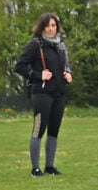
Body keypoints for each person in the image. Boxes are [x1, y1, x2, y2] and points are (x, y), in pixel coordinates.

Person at [14, 13, 73, 177]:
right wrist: (38, 75)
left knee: (54, 130)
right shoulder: (35, 44)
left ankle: (50, 166)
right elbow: (19, 66)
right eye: (47, 26)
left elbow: (66, 66)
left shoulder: (60, 45)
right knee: (39, 129)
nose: (51, 29)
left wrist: (68, 74)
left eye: (53, 26)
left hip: (59, 93)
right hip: (41, 94)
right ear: (42, 27)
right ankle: (35, 168)